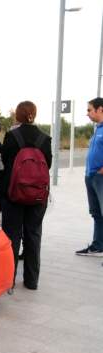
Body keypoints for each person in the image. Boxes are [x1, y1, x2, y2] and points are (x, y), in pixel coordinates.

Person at [0, 101, 52, 290]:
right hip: (38, 196)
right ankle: (31, 281)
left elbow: (5, 163)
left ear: (18, 116)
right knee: (34, 235)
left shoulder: (12, 136)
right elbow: (49, 165)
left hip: (13, 193)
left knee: (12, 236)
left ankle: (9, 280)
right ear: (34, 115)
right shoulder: (45, 138)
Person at [76, 97, 103, 258]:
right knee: (96, 213)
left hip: (100, 178)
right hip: (91, 177)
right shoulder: (98, 129)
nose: (87, 113)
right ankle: (98, 246)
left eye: (89, 110)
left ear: (100, 109)